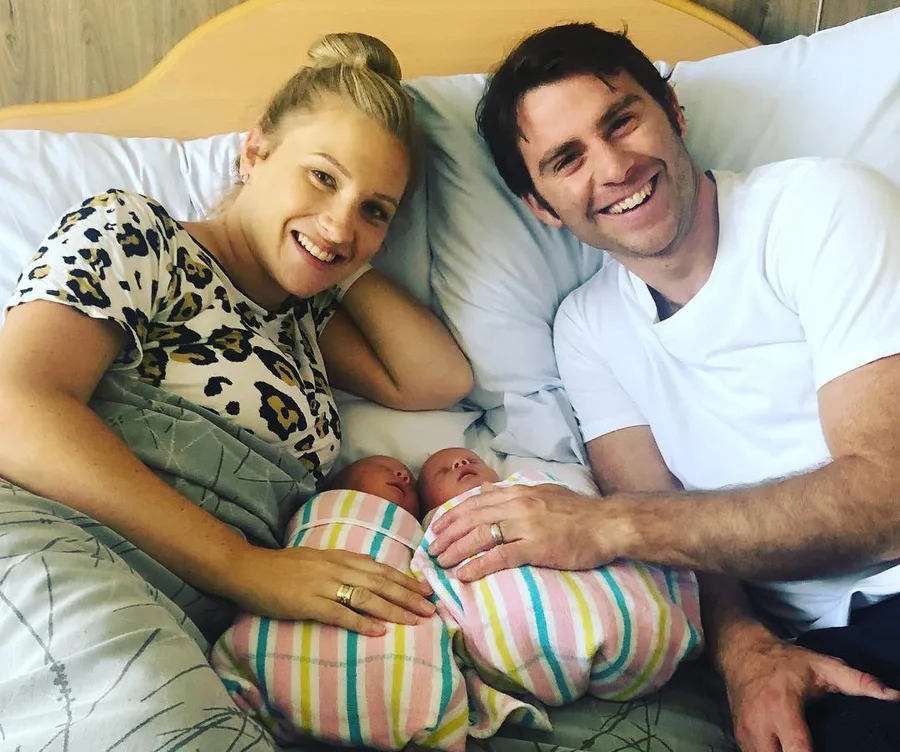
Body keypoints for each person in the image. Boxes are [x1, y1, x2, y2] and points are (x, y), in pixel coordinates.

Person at [427, 23, 900, 752]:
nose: (613, 166)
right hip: (814, 648)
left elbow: (886, 499)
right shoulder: (586, 331)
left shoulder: (821, 208)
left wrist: (608, 526)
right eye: (567, 159)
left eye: (621, 121)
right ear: (543, 207)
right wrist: (747, 658)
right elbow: (675, 541)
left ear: (673, 114)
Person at [0, 33, 471, 750]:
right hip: (50, 546)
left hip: (182, 622)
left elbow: (437, 378)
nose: (346, 218)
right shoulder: (140, 234)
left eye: (377, 209)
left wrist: (332, 250)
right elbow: (14, 406)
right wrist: (242, 565)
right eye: (321, 175)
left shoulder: (303, 328)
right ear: (255, 153)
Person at [211, 455, 474, 751]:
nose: (403, 474)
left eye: (413, 486)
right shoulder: (320, 507)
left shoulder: (421, 532)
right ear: (338, 484)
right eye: (381, 466)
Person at [413, 447, 703, 707]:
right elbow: (431, 572)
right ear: (427, 504)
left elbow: (584, 511)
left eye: (471, 458)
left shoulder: (531, 484)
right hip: (517, 645)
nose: (461, 462)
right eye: (444, 470)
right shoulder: (438, 523)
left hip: (638, 632)